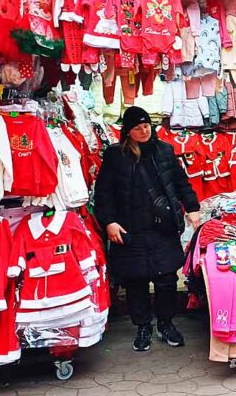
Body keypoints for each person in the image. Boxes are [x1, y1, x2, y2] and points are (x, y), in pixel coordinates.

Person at [94, 106, 201, 352]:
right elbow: (104, 193)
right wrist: (109, 220)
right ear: (127, 131)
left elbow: (181, 183)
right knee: (136, 281)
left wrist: (192, 208)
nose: (144, 131)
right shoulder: (115, 156)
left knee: (166, 279)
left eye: (146, 126)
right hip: (129, 227)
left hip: (162, 227)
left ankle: (166, 323)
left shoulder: (164, 151)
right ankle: (143, 326)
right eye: (137, 127)